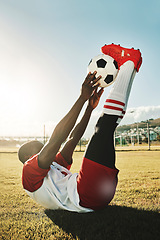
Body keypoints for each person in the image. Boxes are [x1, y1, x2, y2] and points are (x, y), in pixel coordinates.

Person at [18, 44, 142, 212]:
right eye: (34, 143)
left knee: (107, 128)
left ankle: (131, 67)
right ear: (27, 156)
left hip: (96, 192)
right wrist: (82, 98)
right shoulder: (29, 172)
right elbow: (57, 139)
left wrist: (89, 108)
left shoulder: (54, 165)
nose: (39, 142)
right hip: (85, 193)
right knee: (103, 127)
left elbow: (72, 138)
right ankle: (128, 62)